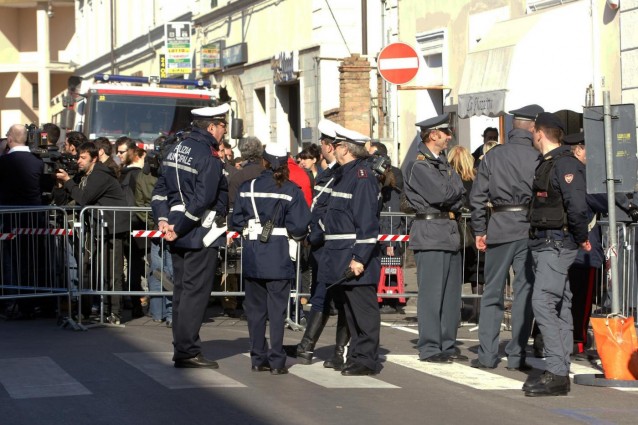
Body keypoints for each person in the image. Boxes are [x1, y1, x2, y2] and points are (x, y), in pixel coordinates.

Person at [151, 104, 229, 369]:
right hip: (198, 233)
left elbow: (160, 190)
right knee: (194, 294)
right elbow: (202, 199)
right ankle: (187, 351)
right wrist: (180, 226)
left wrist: (164, 219)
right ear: (211, 127)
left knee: (183, 292)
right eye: (222, 126)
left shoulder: (175, 148)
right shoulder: (208, 156)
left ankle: (182, 347)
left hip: (177, 230)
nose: (224, 131)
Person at [468, 104, 543, 371]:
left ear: (512, 127)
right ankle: (517, 354)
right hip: (527, 228)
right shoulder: (537, 158)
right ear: (533, 128)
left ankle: (488, 354)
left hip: (499, 226)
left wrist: (479, 229)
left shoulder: (493, 156)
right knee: (524, 292)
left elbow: (477, 197)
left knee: (492, 293)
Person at [524, 112, 591, 397]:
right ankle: (559, 368)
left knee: (543, 303)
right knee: (561, 305)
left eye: (533, 131)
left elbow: (577, 206)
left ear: (539, 132)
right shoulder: (549, 163)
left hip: (556, 243)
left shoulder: (564, 164)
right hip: (545, 242)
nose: (531, 135)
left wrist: (581, 237)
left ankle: (556, 372)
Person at [230, 143, 311, 374]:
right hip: (278, 254)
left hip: (254, 253)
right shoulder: (291, 190)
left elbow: (236, 220)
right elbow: (299, 225)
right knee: (277, 312)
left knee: (255, 312)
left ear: (263, 161)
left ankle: (257, 358)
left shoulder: (247, 187)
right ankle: (277, 360)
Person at [284, 119, 350, 368]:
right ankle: (306, 347)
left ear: (330, 146)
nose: (321, 148)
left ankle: (337, 351)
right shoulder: (329, 173)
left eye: (323, 143)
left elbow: (331, 211)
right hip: (322, 247)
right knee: (322, 296)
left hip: (334, 245)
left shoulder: (341, 174)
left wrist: (316, 233)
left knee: (341, 298)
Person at [319, 126, 381, 376]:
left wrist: (359, 258)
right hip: (339, 254)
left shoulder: (362, 176)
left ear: (345, 148)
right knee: (351, 312)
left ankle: (366, 359)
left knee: (363, 312)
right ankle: (357, 356)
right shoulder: (344, 174)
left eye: (336, 144)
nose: (332, 148)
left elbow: (367, 222)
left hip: (354, 257)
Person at [403, 113, 466, 363]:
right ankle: (430, 347)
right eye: (445, 132)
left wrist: (453, 190)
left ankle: (447, 344)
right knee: (432, 295)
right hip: (430, 232)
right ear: (433, 135)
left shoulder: (442, 163)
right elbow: (442, 194)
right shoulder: (419, 164)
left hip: (448, 231)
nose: (450, 136)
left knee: (451, 295)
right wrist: (453, 190)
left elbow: (461, 193)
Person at [55, 141, 130, 324]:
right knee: (91, 269)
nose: (79, 161)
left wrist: (68, 182)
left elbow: (84, 198)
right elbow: (65, 199)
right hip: (96, 228)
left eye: (83, 158)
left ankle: (114, 312)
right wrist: (60, 185)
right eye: (78, 157)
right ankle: (89, 310)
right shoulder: (84, 174)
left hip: (113, 229)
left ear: (94, 158)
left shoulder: (99, 175)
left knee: (113, 272)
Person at [222, 136, 265, 318]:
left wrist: (233, 229)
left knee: (246, 271)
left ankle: (248, 306)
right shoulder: (266, 173)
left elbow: (232, 206)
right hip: (268, 229)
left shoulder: (237, 177)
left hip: (245, 229)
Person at [447, 145, 482, 321]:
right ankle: (478, 311)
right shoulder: (476, 179)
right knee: (477, 274)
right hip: (476, 231)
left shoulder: (449, 180)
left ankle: (455, 311)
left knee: (455, 272)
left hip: (455, 231)